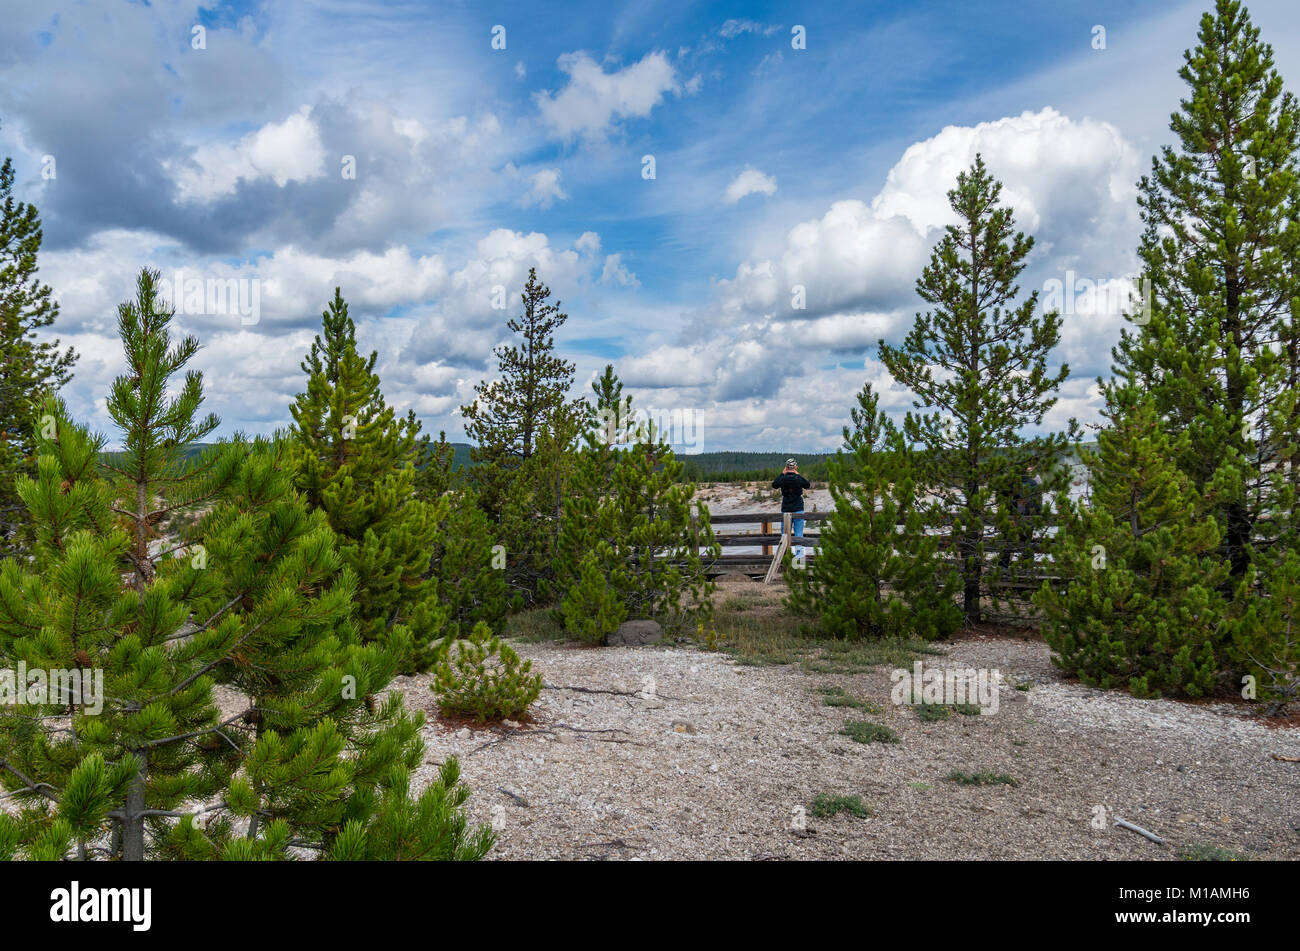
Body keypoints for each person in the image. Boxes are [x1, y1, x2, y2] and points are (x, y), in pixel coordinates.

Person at [772, 458, 811, 557]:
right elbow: (807, 485)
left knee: (784, 534)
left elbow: (774, 485)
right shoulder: (798, 478)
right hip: (798, 507)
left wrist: (782, 474)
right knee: (799, 533)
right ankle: (799, 556)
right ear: (796, 467)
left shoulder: (783, 478)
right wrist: (798, 474)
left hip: (786, 508)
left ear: (786, 467)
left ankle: (784, 555)